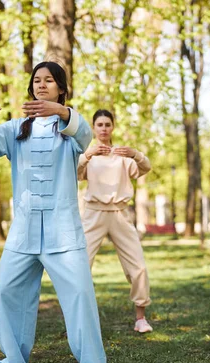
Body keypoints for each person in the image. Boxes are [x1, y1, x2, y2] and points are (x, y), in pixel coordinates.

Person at [0, 61, 107, 363]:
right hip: (24, 232)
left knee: (81, 297)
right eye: (37, 81)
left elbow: (85, 135)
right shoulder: (17, 128)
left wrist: (60, 111)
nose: (41, 85)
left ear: (60, 88)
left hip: (64, 233)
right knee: (9, 291)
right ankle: (13, 362)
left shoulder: (69, 128)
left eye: (49, 80)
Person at [77, 109, 153, 333]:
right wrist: (87, 154)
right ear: (93, 128)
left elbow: (145, 167)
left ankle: (141, 318)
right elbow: (73, 171)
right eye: (99, 124)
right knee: (80, 265)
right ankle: (79, 319)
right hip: (93, 214)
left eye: (107, 124)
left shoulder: (122, 156)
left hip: (120, 214)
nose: (103, 128)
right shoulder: (88, 155)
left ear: (113, 127)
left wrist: (135, 153)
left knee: (137, 266)